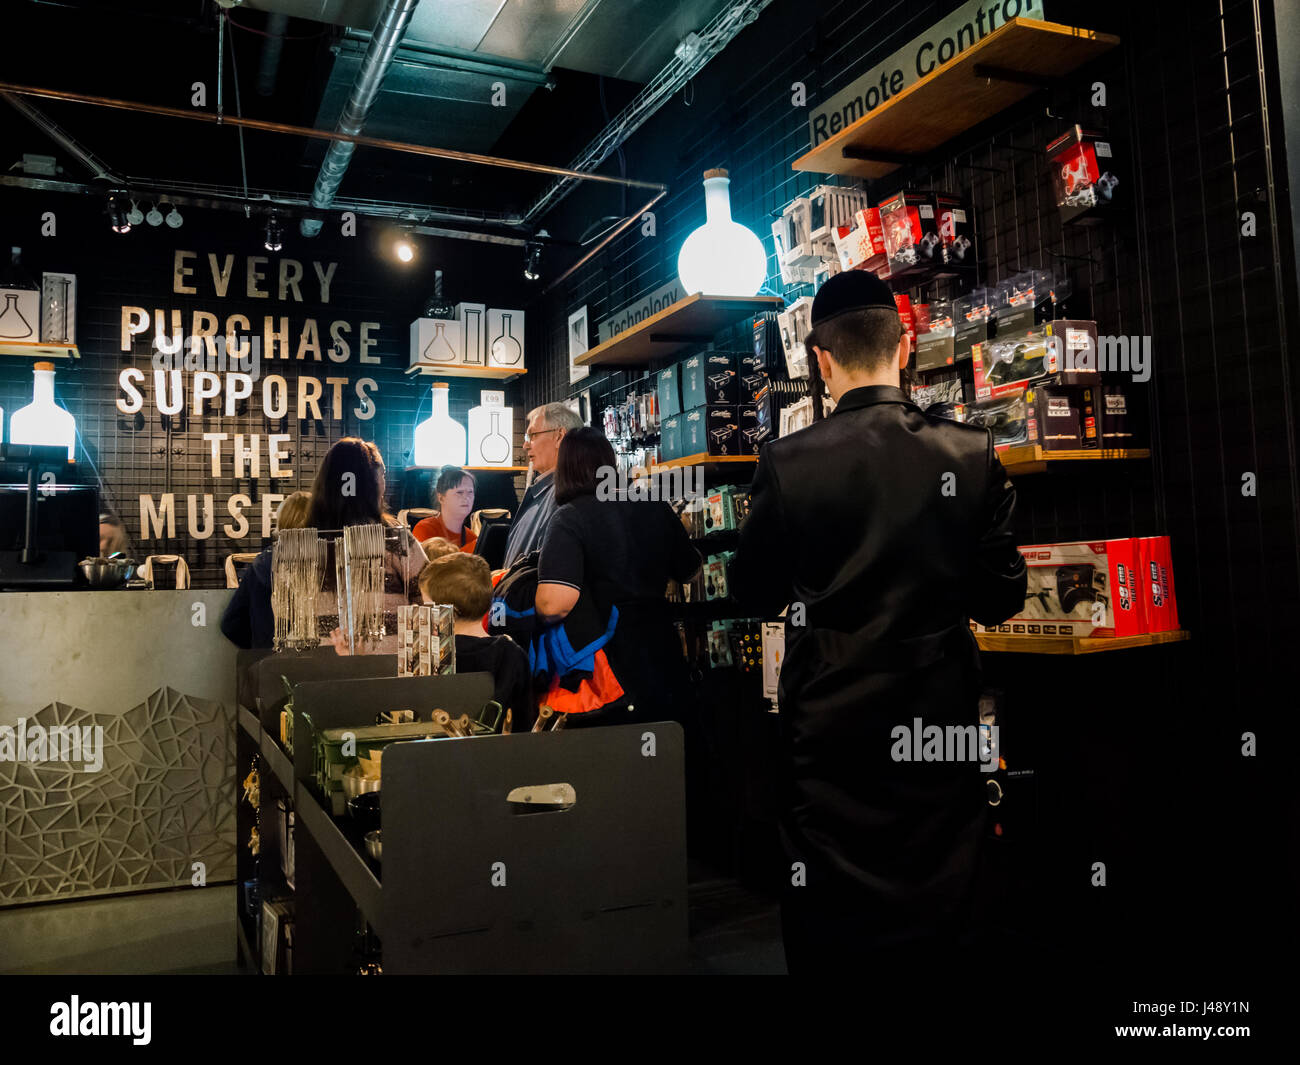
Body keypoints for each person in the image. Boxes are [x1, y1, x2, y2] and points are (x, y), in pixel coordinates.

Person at [731, 270, 1028, 973]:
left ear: (820, 359)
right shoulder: (970, 453)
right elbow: (1002, 595)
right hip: (939, 717)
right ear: (904, 347)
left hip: (830, 728)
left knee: (833, 910)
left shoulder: (788, 462)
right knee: (946, 895)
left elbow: (752, 591)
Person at [534, 427, 700, 725]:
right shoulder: (653, 505)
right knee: (668, 740)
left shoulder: (569, 517)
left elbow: (554, 603)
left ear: (565, 468)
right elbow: (691, 571)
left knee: (617, 747)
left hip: (607, 666)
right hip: (662, 651)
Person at [419, 552, 534, 732]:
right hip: (502, 748)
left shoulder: (433, 654)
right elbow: (524, 721)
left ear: (444, 611)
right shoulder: (513, 653)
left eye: (425, 604)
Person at [219, 491, 312, 649]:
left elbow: (230, 625)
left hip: (267, 660)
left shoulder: (262, 565)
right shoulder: (326, 568)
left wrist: (260, 644)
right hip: (315, 659)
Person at [501, 402, 584, 568]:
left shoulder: (563, 494)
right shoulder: (547, 490)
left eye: (532, 435)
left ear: (559, 436)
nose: (525, 445)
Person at [411, 466, 477, 552]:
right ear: (441, 498)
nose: (466, 498)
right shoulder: (425, 529)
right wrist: (473, 547)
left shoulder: (472, 537)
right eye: (459, 492)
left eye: (470, 492)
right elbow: (434, 560)